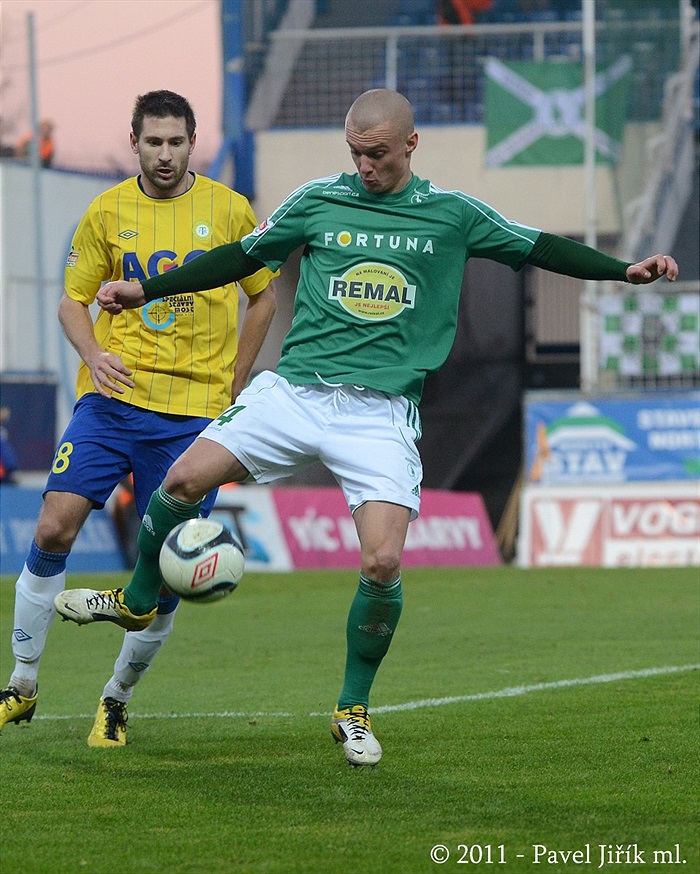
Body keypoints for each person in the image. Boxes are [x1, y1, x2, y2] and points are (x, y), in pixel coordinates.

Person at [54, 89, 678, 767]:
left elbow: (536, 246)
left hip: (379, 413)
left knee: (382, 561)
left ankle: (352, 708)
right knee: (180, 480)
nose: (364, 166)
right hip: (295, 392)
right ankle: (140, 598)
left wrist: (623, 270)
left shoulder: (453, 215)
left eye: (376, 154)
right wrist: (143, 290)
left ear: (411, 145)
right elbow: (242, 257)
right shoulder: (319, 199)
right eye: (355, 152)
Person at [0, 90, 277, 747]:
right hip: (113, 399)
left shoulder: (230, 210)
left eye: (176, 142)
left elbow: (262, 299)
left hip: (192, 417)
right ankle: (22, 683)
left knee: (169, 566)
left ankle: (116, 700)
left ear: (191, 142)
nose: (164, 153)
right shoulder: (107, 210)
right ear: (135, 142)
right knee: (53, 523)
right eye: (153, 142)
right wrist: (93, 353)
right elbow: (73, 303)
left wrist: (236, 381)